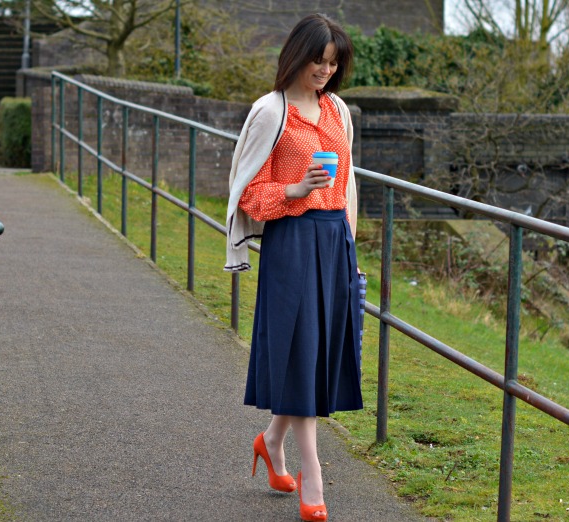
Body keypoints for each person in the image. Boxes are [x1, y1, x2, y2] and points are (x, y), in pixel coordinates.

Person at [223, 13, 361, 522]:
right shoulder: (270, 111)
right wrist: (296, 189)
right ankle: (314, 476)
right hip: (293, 242)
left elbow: (347, 183)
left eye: (332, 63)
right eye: (316, 60)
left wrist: (351, 245)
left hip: (333, 243)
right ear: (296, 55)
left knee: (315, 355)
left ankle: (270, 440)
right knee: (302, 356)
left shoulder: (338, 110)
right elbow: (248, 196)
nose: (324, 71)